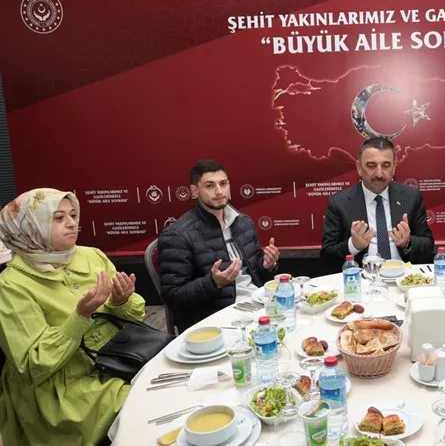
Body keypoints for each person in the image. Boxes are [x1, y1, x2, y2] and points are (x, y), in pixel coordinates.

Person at [0, 188, 145, 446]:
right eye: (58, 218)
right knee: (148, 408)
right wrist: (81, 315)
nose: (71, 223)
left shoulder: (91, 256)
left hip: (116, 361)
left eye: (73, 215)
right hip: (63, 390)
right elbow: (35, 363)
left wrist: (121, 301)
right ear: (31, 227)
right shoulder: (11, 285)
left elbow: (132, 316)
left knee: (171, 387)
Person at [159, 160, 280, 332]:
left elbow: (257, 273)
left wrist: (266, 265)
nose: (219, 191)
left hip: (257, 303)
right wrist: (213, 283)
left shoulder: (243, 222)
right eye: (210, 186)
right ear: (194, 191)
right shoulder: (177, 236)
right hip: (217, 318)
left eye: (223, 184)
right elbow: (173, 296)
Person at [321, 137, 434, 267]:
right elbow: (327, 256)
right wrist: (353, 245)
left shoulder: (411, 197)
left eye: (386, 166)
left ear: (394, 167)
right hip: (362, 277)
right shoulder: (339, 202)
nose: (379, 174)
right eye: (371, 166)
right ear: (359, 167)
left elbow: (428, 244)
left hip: (402, 275)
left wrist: (407, 242)